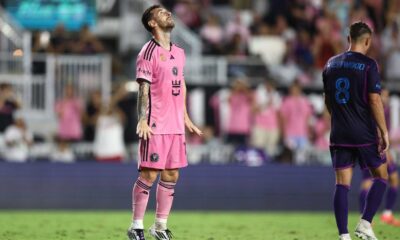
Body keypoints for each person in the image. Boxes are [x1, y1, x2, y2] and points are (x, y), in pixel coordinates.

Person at [127, 5, 202, 240]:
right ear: (152, 23)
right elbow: (143, 89)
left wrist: (185, 115)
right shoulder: (147, 53)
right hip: (156, 124)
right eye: (161, 12)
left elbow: (181, 82)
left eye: (167, 10)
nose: (167, 12)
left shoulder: (179, 51)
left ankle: (159, 226)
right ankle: (136, 226)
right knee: (149, 175)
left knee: (171, 175)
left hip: (176, 126)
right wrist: (142, 118)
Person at [323, 22, 389, 240]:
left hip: (339, 132)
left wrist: (340, 119)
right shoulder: (369, 65)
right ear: (368, 41)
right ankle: (365, 223)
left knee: (342, 183)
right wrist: (383, 130)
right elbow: (374, 100)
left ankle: (344, 236)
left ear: (348, 38)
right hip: (363, 133)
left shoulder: (331, 64)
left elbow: (328, 100)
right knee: (381, 176)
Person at [359, 87, 400, 227]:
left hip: (382, 147)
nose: (385, 98)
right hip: (371, 146)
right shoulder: (371, 107)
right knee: (368, 181)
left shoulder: (386, 109)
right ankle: (363, 217)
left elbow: (384, 130)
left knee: (394, 178)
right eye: (383, 95)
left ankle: (387, 214)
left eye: (387, 95)